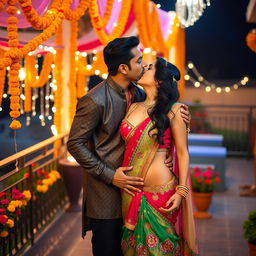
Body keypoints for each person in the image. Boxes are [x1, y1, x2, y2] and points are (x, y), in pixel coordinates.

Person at [67, 36, 191, 256]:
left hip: (136, 190)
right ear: (123, 68)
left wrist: (177, 125)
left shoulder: (139, 93)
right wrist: (110, 175)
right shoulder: (94, 100)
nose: (144, 65)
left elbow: (160, 119)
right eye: (139, 61)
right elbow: (75, 144)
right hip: (106, 193)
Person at [120, 57, 199, 255]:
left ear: (160, 81)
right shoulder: (132, 106)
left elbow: (182, 152)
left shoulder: (174, 110)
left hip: (162, 194)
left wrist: (181, 191)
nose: (143, 69)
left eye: (148, 68)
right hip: (130, 191)